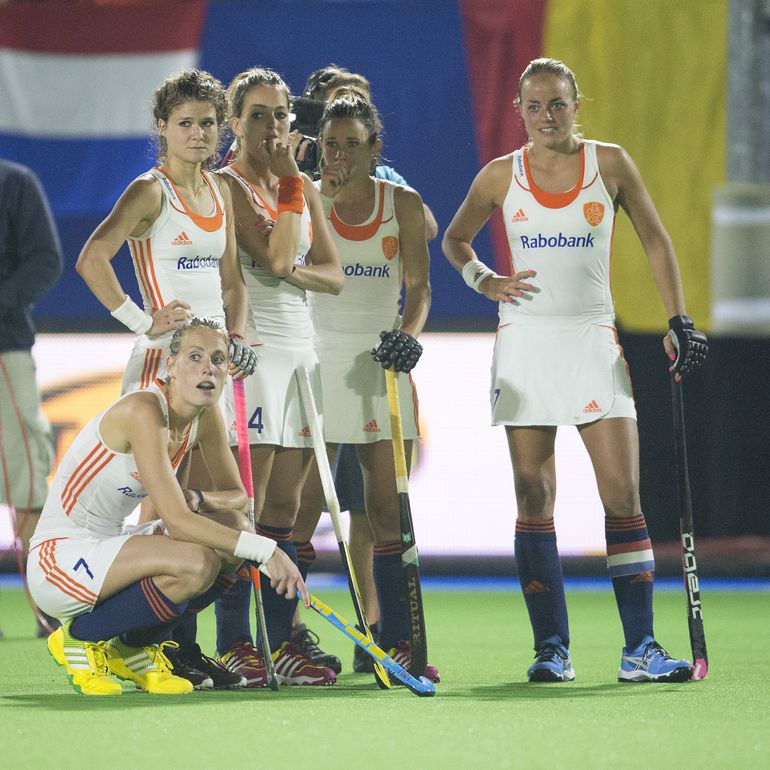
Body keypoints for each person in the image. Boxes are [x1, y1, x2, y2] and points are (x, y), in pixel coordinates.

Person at [441, 58, 708, 683]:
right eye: (534, 106)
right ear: (519, 111)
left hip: (592, 341)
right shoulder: (499, 176)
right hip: (527, 346)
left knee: (623, 495)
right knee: (533, 495)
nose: (545, 117)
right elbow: (455, 239)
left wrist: (679, 319)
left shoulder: (609, 164)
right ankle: (551, 650)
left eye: (557, 103)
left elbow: (657, 241)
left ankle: (639, 649)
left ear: (576, 103)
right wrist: (486, 281)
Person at [26, 317, 307, 696]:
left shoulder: (204, 417)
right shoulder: (143, 410)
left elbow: (236, 496)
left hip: (110, 546)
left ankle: (133, 647)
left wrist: (197, 498)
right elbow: (176, 522)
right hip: (59, 557)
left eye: (219, 359)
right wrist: (266, 549)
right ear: (170, 367)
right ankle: (77, 638)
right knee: (198, 561)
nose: (208, 367)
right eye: (195, 357)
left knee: (233, 526)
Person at [293, 67, 439, 673]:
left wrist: (409, 337)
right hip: (316, 364)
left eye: (355, 144)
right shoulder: (300, 199)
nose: (342, 154)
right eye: (332, 144)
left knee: (386, 513)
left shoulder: (401, 203)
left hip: (380, 366)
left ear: (376, 148)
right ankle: (281, 641)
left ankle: (396, 643)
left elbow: (421, 287)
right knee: (295, 512)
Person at [212, 67, 343, 687]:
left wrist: (293, 267)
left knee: (286, 512)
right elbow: (275, 258)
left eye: (280, 114)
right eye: (257, 115)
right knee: (245, 507)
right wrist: (294, 188)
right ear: (232, 123)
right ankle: (236, 641)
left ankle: (283, 640)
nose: (272, 127)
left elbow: (331, 274)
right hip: (254, 352)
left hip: (302, 350)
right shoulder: (227, 186)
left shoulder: (300, 186)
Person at [75, 69, 255, 392]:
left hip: (212, 364)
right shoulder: (149, 191)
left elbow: (233, 282)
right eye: (185, 123)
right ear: (162, 127)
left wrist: (236, 338)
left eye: (207, 123)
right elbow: (91, 260)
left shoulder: (221, 189)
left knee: (218, 446)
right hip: (163, 361)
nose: (197, 133)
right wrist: (143, 323)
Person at [0, 158, 63, 637]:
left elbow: (45, 260)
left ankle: (46, 603)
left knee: (24, 476)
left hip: (5, 349)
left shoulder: (14, 182)